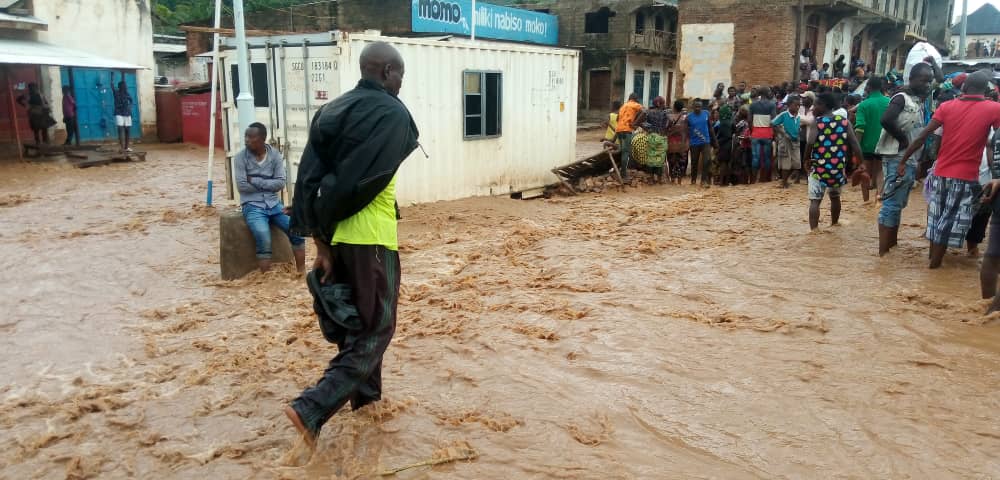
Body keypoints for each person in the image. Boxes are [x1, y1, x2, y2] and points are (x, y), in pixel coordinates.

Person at [286, 42, 420, 446]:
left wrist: (320, 242)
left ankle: (368, 404)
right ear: (386, 72)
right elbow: (354, 184)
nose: (401, 83)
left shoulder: (332, 110)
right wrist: (333, 216)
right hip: (372, 241)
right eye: (400, 75)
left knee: (356, 327)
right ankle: (312, 407)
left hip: (338, 242)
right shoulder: (391, 113)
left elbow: (308, 178)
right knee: (377, 330)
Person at [897, 70, 1000, 269]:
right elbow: (997, 141)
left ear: (964, 87)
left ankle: (933, 264)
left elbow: (923, 136)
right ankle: (934, 267)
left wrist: (904, 160)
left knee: (936, 220)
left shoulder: (946, 106)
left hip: (939, 173)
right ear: (985, 90)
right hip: (966, 176)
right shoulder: (994, 109)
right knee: (948, 223)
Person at [874, 65, 934, 256]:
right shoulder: (901, 98)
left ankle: (891, 248)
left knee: (898, 204)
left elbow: (939, 81)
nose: (927, 84)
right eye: (924, 80)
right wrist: (902, 140)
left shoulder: (919, 99)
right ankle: (883, 255)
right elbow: (886, 119)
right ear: (913, 79)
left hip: (909, 159)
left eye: (929, 80)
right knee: (891, 205)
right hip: (897, 157)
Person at [234, 122, 306, 272]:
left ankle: (301, 273)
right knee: (263, 236)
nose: (246, 140)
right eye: (245, 136)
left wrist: (254, 180)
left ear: (262, 139)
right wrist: (268, 183)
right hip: (253, 206)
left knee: (296, 229)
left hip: (274, 204)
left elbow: (280, 183)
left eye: (250, 137)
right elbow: (242, 186)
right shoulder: (240, 158)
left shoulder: (275, 155)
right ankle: (265, 280)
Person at [805, 93, 865, 230]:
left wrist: (806, 160)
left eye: (817, 104)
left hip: (818, 167)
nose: (814, 107)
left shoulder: (818, 122)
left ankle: (814, 232)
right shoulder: (844, 122)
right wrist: (861, 163)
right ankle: (834, 224)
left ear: (824, 105)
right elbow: (855, 144)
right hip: (837, 167)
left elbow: (810, 143)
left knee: (815, 201)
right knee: (835, 197)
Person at [853, 77, 890, 203]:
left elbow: (860, 128)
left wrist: (856, 148)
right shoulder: (889, 102)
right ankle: (878, 197)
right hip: (884, 144)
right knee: (880, 171)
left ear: (868, 87)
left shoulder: (863, 105)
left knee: (865, 171)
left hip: (866, 145)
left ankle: (865, 201)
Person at [771, 95, 801, 188]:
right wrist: (782, 133)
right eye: (795, 105)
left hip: (795, 141)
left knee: (796, 163)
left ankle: (785, 180)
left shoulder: (798, 116)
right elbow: (773, 123)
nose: (797, 107)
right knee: (785, 162)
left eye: (798, 105)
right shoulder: (784, 115)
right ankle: (784, 182)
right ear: (789, 105)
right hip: (785, 140)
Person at [749, 88, 777, 183]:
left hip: (756, 133)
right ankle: (765, 179)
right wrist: (774, 133)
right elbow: (774, 120)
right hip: (767, 133)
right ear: (766, 93)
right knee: (767, 157)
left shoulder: (753, 105)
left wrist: (752, 130)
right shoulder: (771, 105)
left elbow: (749, 120)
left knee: (755, 157)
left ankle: (753, 180)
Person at [688, 98, 717, 186]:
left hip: (706, 141)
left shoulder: (706, 114)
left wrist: (714, 141)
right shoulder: (689, 117)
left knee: (706, 161)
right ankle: (693, 180)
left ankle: (703, 180)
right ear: (693, 106)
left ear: (702, 107)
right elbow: (686, 130)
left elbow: (710, 128)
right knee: (694, 162)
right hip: (694, 143)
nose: (698, 108)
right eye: (696, 106)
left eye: (699, 106)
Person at [616, 93, 645, 181]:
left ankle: (620, 170)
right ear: (635, 99)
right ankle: (623, 174)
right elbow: (644, 111)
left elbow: (617, 118)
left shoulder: (623, 106)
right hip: (627, 130)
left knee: (622, 150)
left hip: (618, 130)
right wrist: (636, 123)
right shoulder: (634, 104)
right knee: (626, 152)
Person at [665, 100, 689, 185]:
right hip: (683, 143)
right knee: (681, 162)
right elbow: (687, 130)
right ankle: (679, 181)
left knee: (671, 161)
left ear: (674, 107)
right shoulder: (686, 117)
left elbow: (666, 128)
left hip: (671, 144)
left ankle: (672, 179)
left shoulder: (669, 117)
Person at [113, 77, 133, 153]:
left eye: (125, 85)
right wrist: (112, 78)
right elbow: (111, 86)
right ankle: (122, 147)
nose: (125, 87)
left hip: (127, 113)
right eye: (123, 85)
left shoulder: (127, 93)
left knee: (127, 129)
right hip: (119, 112)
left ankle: (126, 147)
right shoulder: (116, 92)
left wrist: (130, 107)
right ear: (119, 87)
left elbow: (131, 100)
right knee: (120, 129)